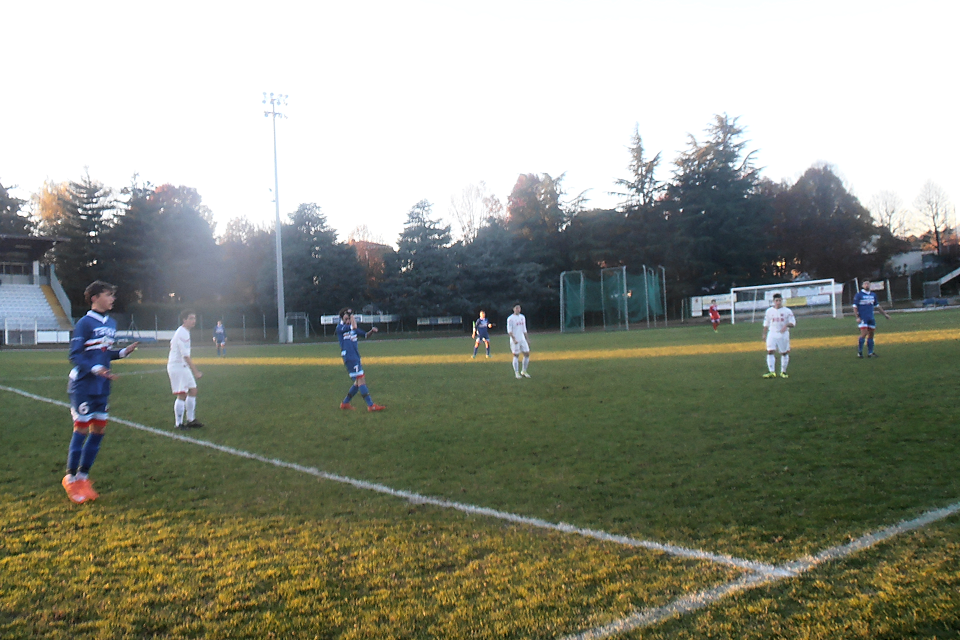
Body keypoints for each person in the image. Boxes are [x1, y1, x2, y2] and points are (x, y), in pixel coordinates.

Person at [62, 280, 139, 503]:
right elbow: (75, 355)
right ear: (95, 297)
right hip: (84, 385)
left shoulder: (111, 323)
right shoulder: (84, 323)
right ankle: (71, 478)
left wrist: (122, 353)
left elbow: (103, 353)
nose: (113, 298)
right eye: (108, 294)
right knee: (82, 430)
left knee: (99, 431)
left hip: (101, 385)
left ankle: (84, 477)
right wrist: (96, 369)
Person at [336, 308, 386, 411]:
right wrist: (352, 315)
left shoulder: (352, 328)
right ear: (342, 319)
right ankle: (371, 406)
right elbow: (353, 326)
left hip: (355, 357)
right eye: (346, 319)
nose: (348, 320)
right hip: (350, 357)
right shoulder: (340, 327)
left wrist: (371, 331)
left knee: (358, 382)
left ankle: (345, 403)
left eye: (349, 318)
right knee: (361, 380)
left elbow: (365, 335)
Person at [168, 309, 203, 429]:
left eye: (194, 318)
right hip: (177, 366)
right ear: (184, 320)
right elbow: (185, 356)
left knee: (193, 390)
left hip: (182, 366)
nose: (194, 321)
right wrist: (196, 372)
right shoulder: (182, 333)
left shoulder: (184, 332)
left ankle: (191, 419)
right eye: (191, 318)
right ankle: (178, 424)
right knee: (182, 394)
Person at [853, 280, 891, 358]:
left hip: (871, 317)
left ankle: (870, 353)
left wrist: (885, 314)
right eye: (865, 284)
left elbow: (877, 306)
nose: (867, 285)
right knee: (864, 334)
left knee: (871, 335)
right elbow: (855, 307)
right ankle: (859, 352)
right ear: (862, 285)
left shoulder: (873, 295)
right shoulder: (859, 295)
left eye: (868, 284)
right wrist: (857, 317)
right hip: (863, 318)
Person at [761, 293, 796, 379]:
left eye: (780, 300)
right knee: (770, 351)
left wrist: (786, 325)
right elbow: (766, 323)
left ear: (782, 301)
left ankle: (783, 372)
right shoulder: (769, 311)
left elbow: (793, 323)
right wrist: (764, 334)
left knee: (784, 353)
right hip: (772, 333)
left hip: (783, 334)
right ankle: (772, 372)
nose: (778, 302)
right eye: (776, 301)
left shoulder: (787, 311)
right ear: (773, 301)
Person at [506, 303, 531, 379]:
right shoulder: (510, 318)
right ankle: (516, 372)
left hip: (522, 339)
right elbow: (509, 331)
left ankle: (524, 371)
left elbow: (524, 329)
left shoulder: (522, 317)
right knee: (516, 355)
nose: (518, 309)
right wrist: (514, 339)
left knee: (527, 354)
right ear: (513, 309)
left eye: (519, 308)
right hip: (515, 340)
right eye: (516, 308)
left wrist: (527, 339)